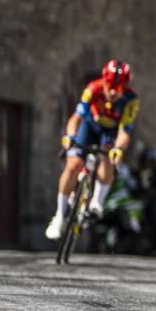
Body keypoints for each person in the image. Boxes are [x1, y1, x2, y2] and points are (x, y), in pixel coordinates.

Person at [45, 60, 139, 239]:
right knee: (73, 165)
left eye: (118, 88)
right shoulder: (93, 89)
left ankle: (97, 202)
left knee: (108, 154)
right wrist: (70, 137)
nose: (112, 91)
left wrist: (119, 148)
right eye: (110, 85)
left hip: (109, 132)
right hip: (89, 127)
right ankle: (59, 215)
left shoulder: (131, 100)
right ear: (104, 81)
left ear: (125, 88)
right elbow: (76, 118)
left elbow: (126, 131)